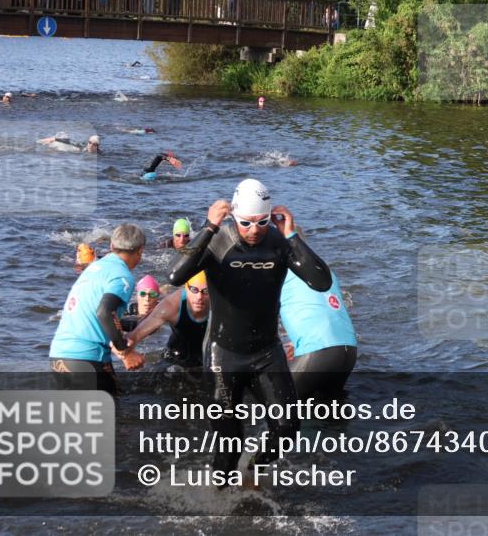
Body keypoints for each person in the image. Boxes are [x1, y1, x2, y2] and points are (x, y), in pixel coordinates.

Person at [166, 178, 333, 473]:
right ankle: (221, 492)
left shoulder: (279, 242)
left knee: (287, 427)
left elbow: (321, 281)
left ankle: (253, 470)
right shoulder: (218, 240)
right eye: (245, 222)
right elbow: (175, 277)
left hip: (266, 353)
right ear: (232, 215)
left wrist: (292, 235)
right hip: (223, 355)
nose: (254, 230)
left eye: (261, 222)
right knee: (229, 441)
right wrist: (208, 226)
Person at [49, 223, 147, 394]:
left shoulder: (94, 268)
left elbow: (93, 313)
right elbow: (104, 312)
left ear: (111, 246)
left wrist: (134, 324)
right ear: (140, 251)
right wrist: (126, 353)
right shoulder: (122, 275)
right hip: (87, 359)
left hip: (59, 356)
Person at [280, 234, 357, 399]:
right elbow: (318, 308)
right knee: (330, 413)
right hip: (349, 349)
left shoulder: (277, 268)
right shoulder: (322, 269)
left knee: (279, 406)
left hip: (318, 351)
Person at [127, 271, 210, 369]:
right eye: (194, 290)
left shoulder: (222, 305)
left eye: (205, 291)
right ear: (186, 288)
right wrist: (127, 354)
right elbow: (136, 334)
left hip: (210, 357)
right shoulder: (171, 305)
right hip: (175, 357)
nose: (199, 297)